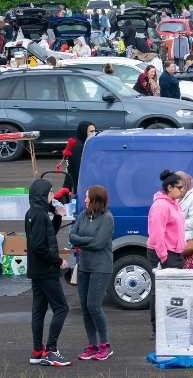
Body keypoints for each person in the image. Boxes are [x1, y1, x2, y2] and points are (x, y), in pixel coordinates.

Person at [26, 178, 70, 367]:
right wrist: (58, 260)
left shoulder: (35, 212)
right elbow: (39, 246)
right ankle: (51, 350)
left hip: (37, 270)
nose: (53, 195)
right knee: (61, 308)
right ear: (42, 195)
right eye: (51, 192)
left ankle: (37, 351)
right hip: (46, 271)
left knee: (39, 310)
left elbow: (48, 233)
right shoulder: (39, 215)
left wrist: (57, 214)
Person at [68, 185, 115, 361]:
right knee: (85, 308)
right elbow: (72, 235)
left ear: (95, 199)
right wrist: (86, 240)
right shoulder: (83, 215)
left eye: (87, 197)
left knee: (94, 306)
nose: (85, 199)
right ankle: (92, 345)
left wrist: (82, 241)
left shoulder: (107, 218)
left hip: (101, 267)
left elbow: (99, 244)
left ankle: (104, 345)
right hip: (84, 266)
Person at [147, 170, 186, 334]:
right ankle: (158, 328)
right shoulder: (161, 206)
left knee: (173, 290)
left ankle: (171, 323)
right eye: (179, 187)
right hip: (164, 254)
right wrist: (163, 258)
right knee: (161, 291)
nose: (182, 190)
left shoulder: (173, 203)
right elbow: (156, 235)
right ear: (169, 187)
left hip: (174, 253)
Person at [66, 121, 96, 191]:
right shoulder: (77, 147)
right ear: (83, 132)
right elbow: (80, 169)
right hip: (78, 185)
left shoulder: (85, 143)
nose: (93, 134)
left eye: (94, 131)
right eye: (91, 131)